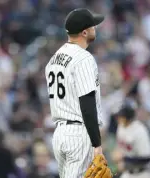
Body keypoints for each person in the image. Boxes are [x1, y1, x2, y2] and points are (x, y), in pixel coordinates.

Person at [45, 8, 106, 178]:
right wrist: (97, 144)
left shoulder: (54, 59)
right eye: (93, 26)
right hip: (79, 133)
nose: (96, 28)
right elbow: (87, 104)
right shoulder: (84, 58)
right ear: (85, 32)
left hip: (59, 134)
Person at [114, 99, 150, 178]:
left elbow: (147, 158)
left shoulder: (140, 130)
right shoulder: (120, 127)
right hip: (128, 173)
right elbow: (120, 149)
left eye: (121, 116)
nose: (118, 118)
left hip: (143, 173)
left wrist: (125, 159)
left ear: (128, 116)